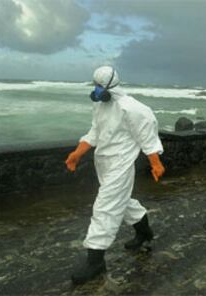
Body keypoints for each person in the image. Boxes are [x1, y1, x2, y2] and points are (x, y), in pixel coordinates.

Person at [65, 66, 165, 285]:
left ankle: (96, 261)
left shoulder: (132, 108)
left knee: (105, 207)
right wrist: (77, 153)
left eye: (100, 85)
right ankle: (145, 232)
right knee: (123, 202)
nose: (97, 90)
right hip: (104, 162)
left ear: (111, 86)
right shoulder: (100, 105)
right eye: (95, 85)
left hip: (121, 164)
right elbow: (94, 132)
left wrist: (155, 163)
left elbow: (147, 135)